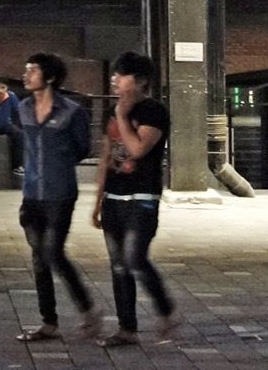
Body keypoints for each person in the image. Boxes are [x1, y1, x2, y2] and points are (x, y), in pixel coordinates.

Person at [16, 51, 100, 344]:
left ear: (50, 77)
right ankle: (48, 322)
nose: (26, 75)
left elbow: (82, 148)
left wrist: (57, 164)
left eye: (32, 70)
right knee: (39, 259)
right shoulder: (23, 108)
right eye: (26, 70)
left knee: (53, 252)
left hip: (60, 194)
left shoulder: (71, 112)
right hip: (31, 194)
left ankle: (87, 308)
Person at [91, 51, 174, 349]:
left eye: (121, 75)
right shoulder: (111, 112)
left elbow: (137, 149)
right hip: (113, 198)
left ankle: (165, 309)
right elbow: (106, 156)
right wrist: (97, 201)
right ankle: (127, 329)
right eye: (114, 74)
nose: (115, 79)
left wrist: (123, 117)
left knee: (135, 259)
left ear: (140, 81)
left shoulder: (154, 111)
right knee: (118, 266)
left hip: (142, 198)